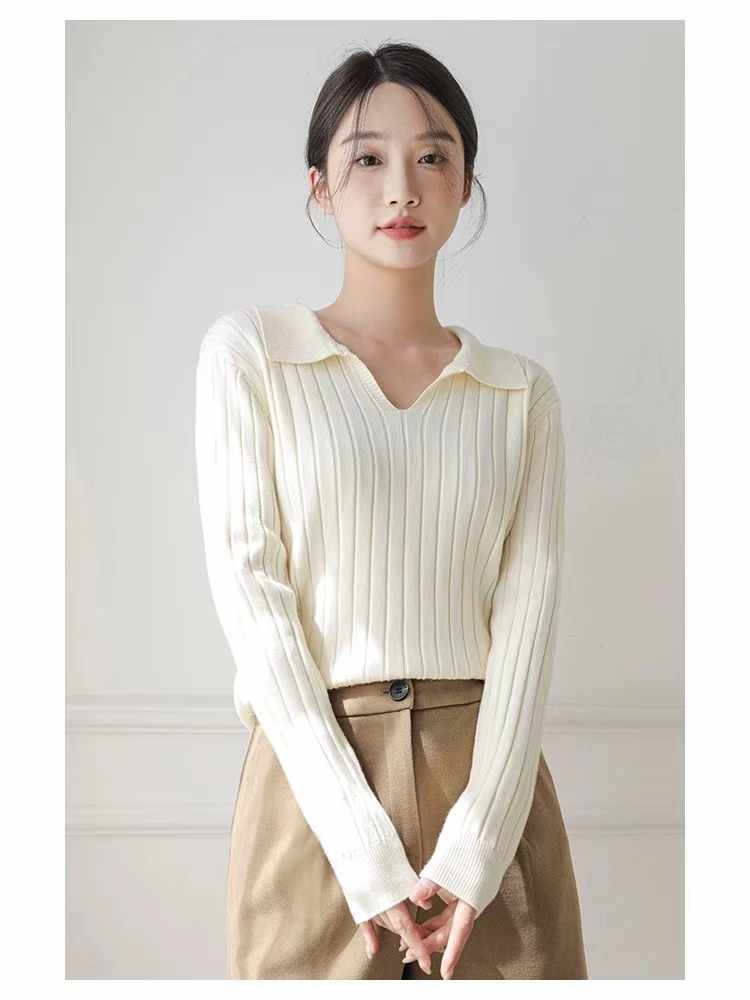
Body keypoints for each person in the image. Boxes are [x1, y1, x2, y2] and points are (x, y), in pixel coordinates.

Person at [194, 40, 588, 980]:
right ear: (320, 188)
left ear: (465, 184)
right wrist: (360, 845)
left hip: (488, 794)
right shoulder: (252, 356)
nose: (401, 189)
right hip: (312, 788)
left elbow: (527, 627)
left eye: (432, 156)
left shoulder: (518, 394)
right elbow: (255, 601)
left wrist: (478, 846)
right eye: (367, 158)